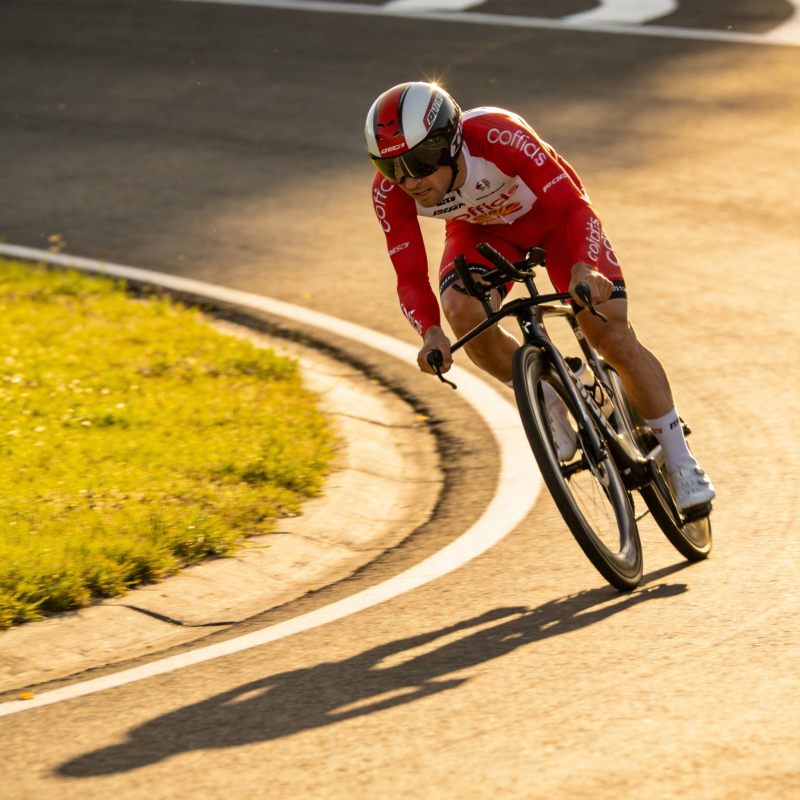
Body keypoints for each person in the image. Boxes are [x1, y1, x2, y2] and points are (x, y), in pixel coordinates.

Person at [365, 81, 714, 512]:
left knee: (610, 333)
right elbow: (410, 275)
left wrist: (586, 267)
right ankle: (548, 394)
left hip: (555, 218)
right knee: (461, 312)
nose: (409, 180)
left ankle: (681, 461)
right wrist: (430, 332)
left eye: (419, 162)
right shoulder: (391, 192)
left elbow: (574, 207)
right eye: (390, 167)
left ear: (451, 143)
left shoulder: (497, 135)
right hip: (480, 231)